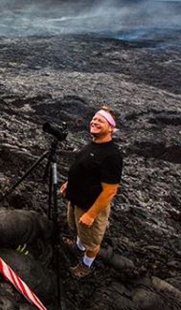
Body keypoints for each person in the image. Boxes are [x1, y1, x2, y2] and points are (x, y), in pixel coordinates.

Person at [59, 106, 123, 279]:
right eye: (94, 119)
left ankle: (86, 266)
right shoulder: (93, 144)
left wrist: (91, 215)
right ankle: (77, 247)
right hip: (76, 199)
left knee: (92, 242)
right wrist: (69, 183)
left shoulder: (112, 156)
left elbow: (110, 191)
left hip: (90, 206)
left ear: (111, 128)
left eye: (100, 120)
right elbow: (84, 169)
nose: (94, 122)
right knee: (79, 229)